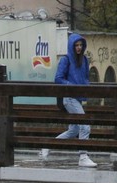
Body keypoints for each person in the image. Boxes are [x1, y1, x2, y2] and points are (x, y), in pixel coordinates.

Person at [40, 33, 96, 168]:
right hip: (69, 97)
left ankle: (47, 146)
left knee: (74, 130)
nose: (79, 47)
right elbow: (58, 78)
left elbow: (86, 78)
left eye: (81, 45)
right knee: (85, 125)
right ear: (71, 46)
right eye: (76, 45)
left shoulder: (84, 60)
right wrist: (71, 85)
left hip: (78, 97)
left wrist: (86, 89)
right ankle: (83, 157)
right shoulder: (65, 60)